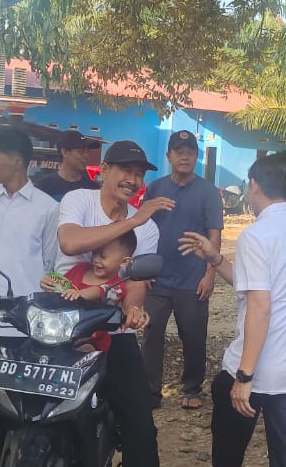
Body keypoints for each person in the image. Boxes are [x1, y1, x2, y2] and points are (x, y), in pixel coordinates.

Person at [180, 153, 286, 467]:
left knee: (228, 456)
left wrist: (244, 376)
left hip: (258, 370)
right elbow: (258, 285)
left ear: (253, 185)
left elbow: (260, 306)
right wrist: (215, 259)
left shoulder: (256, 235)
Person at [57, 140, 173, 466]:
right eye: (126, 170)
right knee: (19, 405)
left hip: (112, 327)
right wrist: (132, 222)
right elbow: (69, 242)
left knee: (140, 424)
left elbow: (135, 281)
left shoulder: (148, 228)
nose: (133, 180)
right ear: (104, 170)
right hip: (60, 324)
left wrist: (134, 310)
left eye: (139, 174)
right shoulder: (80, 200)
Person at [0, 126, 59, 466]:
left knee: (19, 404)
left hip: (22, 324)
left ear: (17, 161)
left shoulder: (47, 208)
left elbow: (52, 263)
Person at [143, 130, 224, 410]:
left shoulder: (208, 192)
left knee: (193, 336)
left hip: (192, 279)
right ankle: (151, 392)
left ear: (196, 157)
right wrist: (143, 269)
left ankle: (192, 388)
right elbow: (143, 229)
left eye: (190, 152)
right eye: (179, 151)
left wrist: (210, 274)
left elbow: (214, 234)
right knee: (151, 335)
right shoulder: (155, 189)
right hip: (157, 278)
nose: (185, 156)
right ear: (169, 156)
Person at [42, 230, 138, 305]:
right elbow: (60, 284)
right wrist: (48, 282)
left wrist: (80, 294)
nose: (96, 259)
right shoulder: (80, 268)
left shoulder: (117, 287)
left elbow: (100, 291)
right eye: (94, 253)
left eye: (103, 256)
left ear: (124, 262)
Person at [33, 129, 101, 201]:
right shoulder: (43, 187)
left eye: (88, 151)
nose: (87, 156)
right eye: (81, 151)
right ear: (64, 152)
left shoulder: (92, 189)